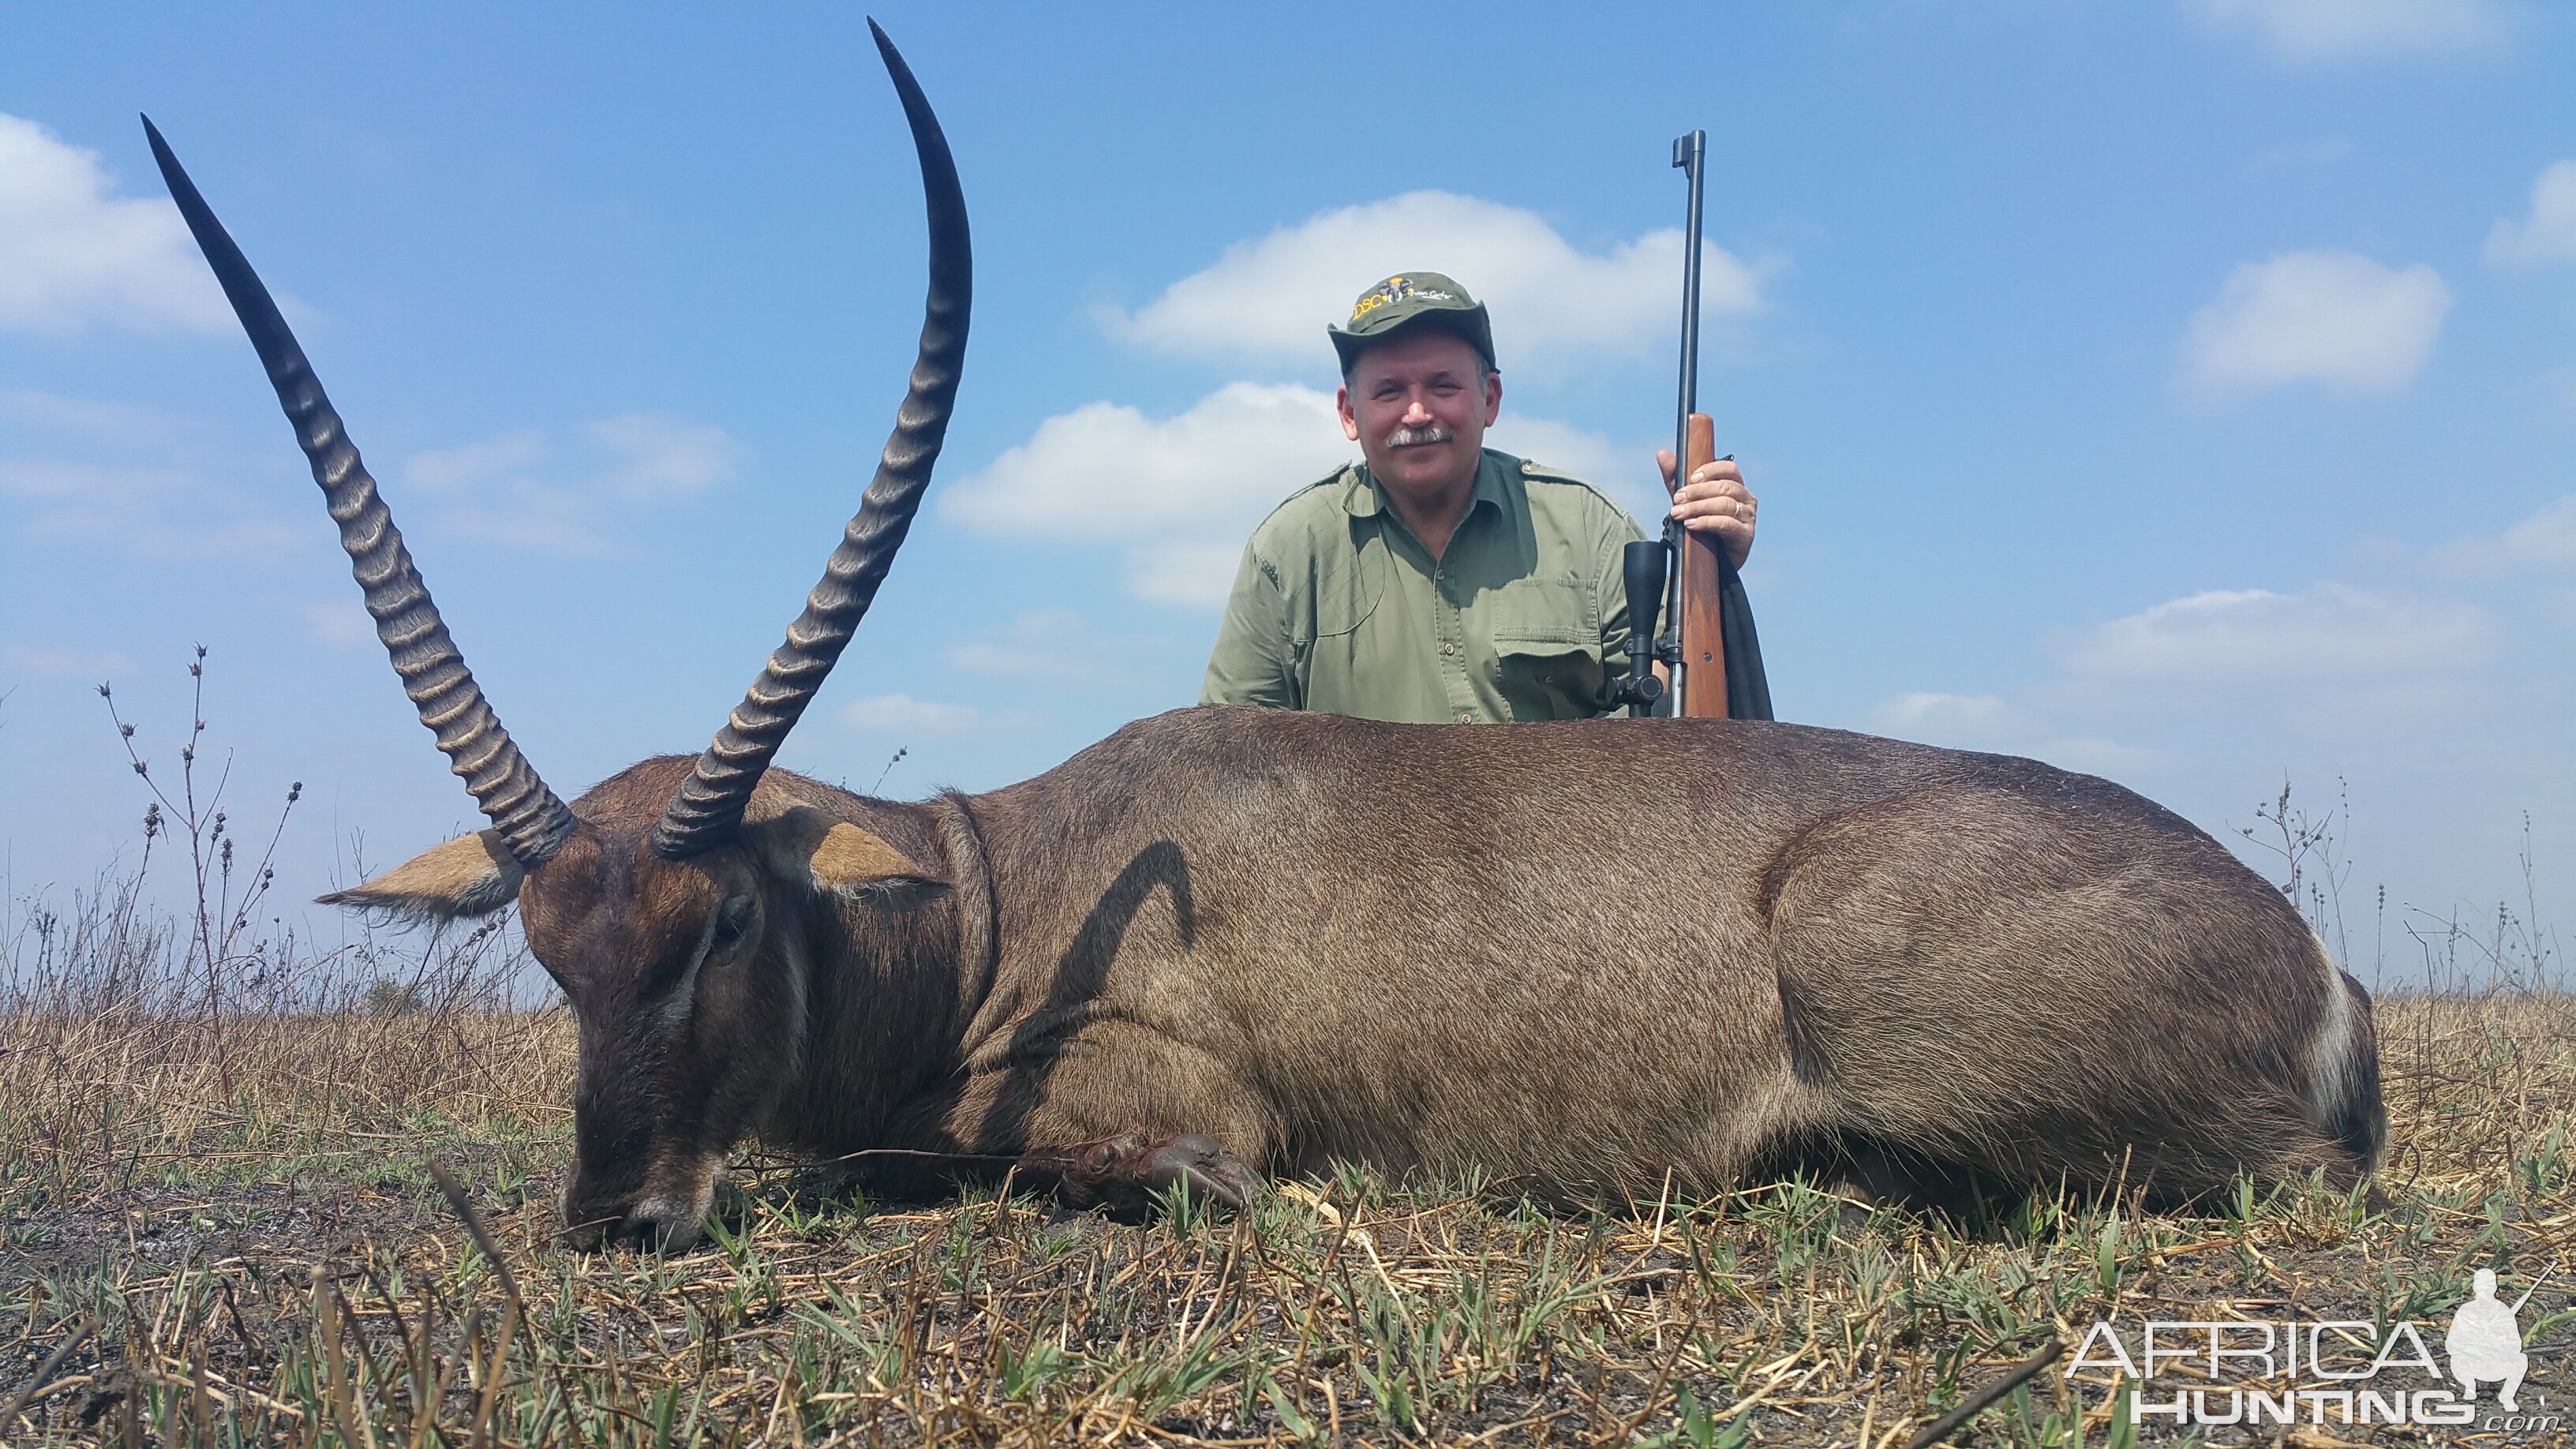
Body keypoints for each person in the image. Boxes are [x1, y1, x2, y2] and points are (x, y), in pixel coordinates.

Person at [1200, 271, 1758, 722]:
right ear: (1350, 412)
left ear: (1490, 398)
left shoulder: (1588, 527)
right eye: (1390, 391)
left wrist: (1712, 571)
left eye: (1443, 386)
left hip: (1565, 857)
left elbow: (1679, 708)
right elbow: (1226, 762)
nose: (1417, 414)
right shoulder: (1289, 551)